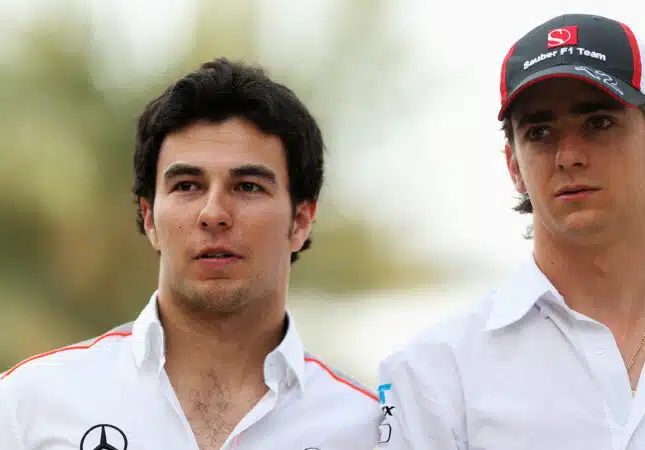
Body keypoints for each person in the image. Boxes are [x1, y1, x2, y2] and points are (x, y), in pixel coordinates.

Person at [374, 13, 645, 450]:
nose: (568, 155)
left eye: (598, 122)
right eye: (539, 131)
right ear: (513, 166)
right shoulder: (433, 371)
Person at [0, 58, 381, 450]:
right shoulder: (26, 407)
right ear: (149, 218)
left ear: (300, 221)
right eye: (186, 185)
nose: (213, 213)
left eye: (248, 186)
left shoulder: (369, 431)